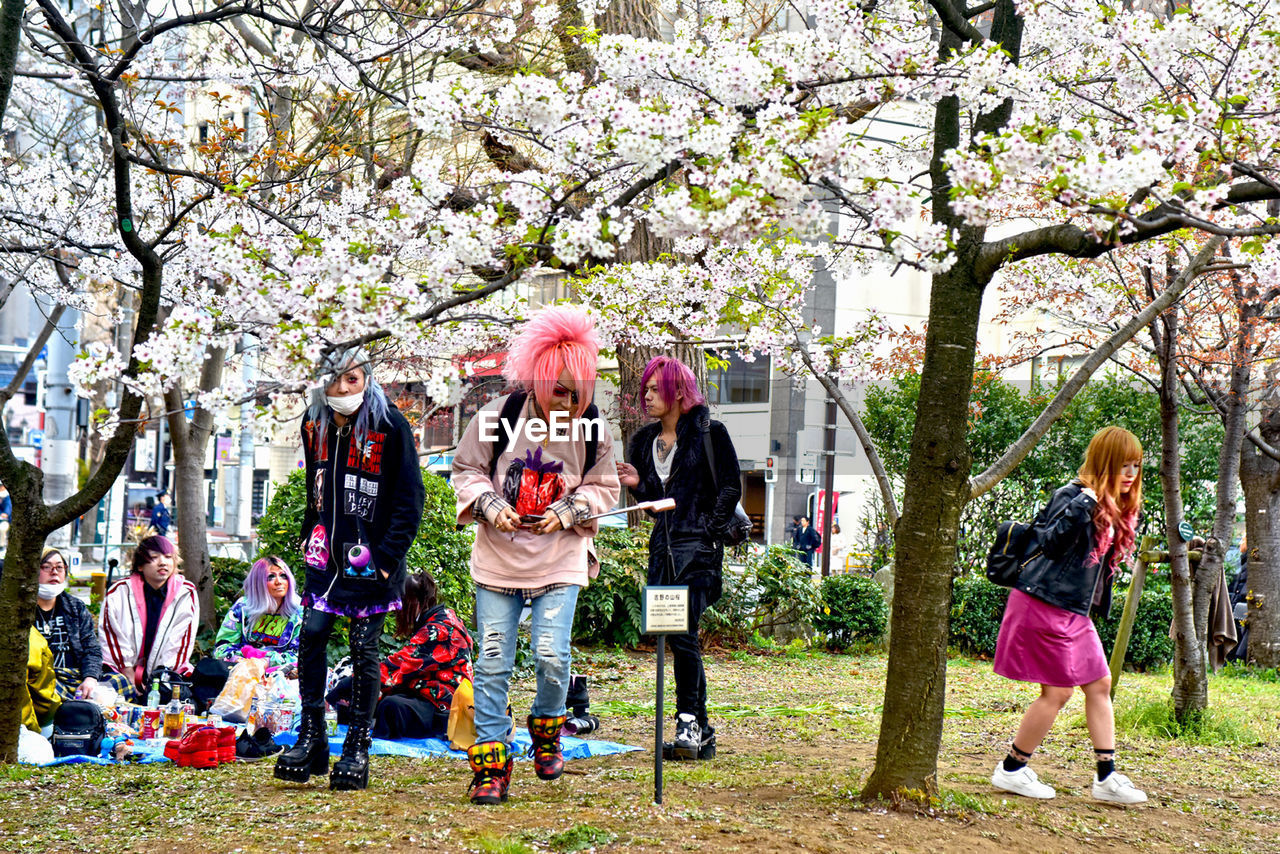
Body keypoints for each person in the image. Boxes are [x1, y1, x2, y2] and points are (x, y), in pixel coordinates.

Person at [451, 305, 620, 805]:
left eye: (578, 392)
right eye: (559, 390)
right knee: (494, 660)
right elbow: (466, 469)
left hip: (561, 554)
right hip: (499, 557)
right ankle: (490, 763)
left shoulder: (593, 427)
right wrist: (489, 504)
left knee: (551, 653)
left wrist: (568, 511)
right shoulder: (496, 416)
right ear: (539, 380)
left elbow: (604, 485)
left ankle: (548, 731)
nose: (567, 401)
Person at [274, 347, 425, 792]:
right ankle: (312, 733)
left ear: (367, 380)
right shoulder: (313, 423)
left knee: (363, 649)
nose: (341, 389)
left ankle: (357, 743)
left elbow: (409, 498)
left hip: (371, 562)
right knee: (313, 634)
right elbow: (313, 485)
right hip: (325, 557)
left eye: (352, 380)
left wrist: (386, 559)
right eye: (333, 380)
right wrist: (308, 530)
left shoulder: (390, 426)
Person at [990, 425, 1148, 805]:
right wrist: (1084, 505)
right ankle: (1011, 770)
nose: (1131, 474)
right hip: (1043, 603)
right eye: (1124, 464)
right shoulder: (1074, 496)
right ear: (1104, 462)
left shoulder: (1115, 506)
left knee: (1099, 684)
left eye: (1136, 466)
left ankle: (1106, 778)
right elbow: (1049, 542)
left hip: (1074, 612)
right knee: (1058, 691)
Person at [616, 356, 741, 761]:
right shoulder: (644, 442)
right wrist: (640, 486)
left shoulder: (711, 433)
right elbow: (657, 503)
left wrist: (707, 529)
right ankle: (701, 731)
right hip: (663, 551)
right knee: (673, 636)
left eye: (655, 389)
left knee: (684, 633)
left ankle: (688, 720)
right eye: (646, 390)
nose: (647, 397)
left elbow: (730, 488)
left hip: (699, 553)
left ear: (677, 391)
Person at [327, 570, 472, 740]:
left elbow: (396, 667)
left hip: (443, 705)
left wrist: (338, 690)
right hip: (422, 692)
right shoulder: (440, 619)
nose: (397, 612)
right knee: (367, 701)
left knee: (390, 707)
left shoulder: (438, 631)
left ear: (412, 602)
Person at [98, 535, 199, 702]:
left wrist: (159, 677)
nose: (163, 563)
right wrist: (128, 672)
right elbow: (112, 635)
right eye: (154, 558)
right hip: (122, 670)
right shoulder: (120, 591)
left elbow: (181, 641)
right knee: (115, 695)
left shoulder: (185, 593)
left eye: (168, 557)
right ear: (139, 565)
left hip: (167, 672)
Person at [34, 546, 123, 701]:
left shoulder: (75, 607)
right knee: (45, 691)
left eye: (59, 567)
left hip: (75, 676)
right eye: (46, 567)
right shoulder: (19, 609)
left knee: (120, 682)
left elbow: (92, 650)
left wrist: (90, 678)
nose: (54, 572)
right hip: (41, 680)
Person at [214, 556, 303, 669]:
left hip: (283, 677)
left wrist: (266, 660)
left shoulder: (299, 611)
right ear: (258, 583)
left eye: (283, 576)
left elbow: (300, 655)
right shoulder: (242, 607)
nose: (278, 581)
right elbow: (222, 648)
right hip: (242, 673)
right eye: (270, 577)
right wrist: (245, 661)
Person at [0, 481, 11, 554]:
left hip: (5, 521)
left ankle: (1, 547)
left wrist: (4, 514)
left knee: (2, 528)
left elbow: (7, 511)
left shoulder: (7, 497)